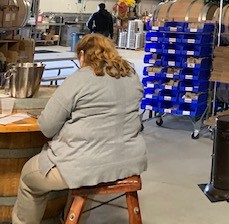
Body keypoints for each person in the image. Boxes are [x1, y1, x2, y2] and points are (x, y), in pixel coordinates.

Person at [12, 34, 147, 224]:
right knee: (90, 174)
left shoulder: (79, 79)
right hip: (129, 162)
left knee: (29, 178)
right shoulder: (132, 77)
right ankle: (69, 217)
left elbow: (47, 127)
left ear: (83, 55)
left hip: (87, 165)